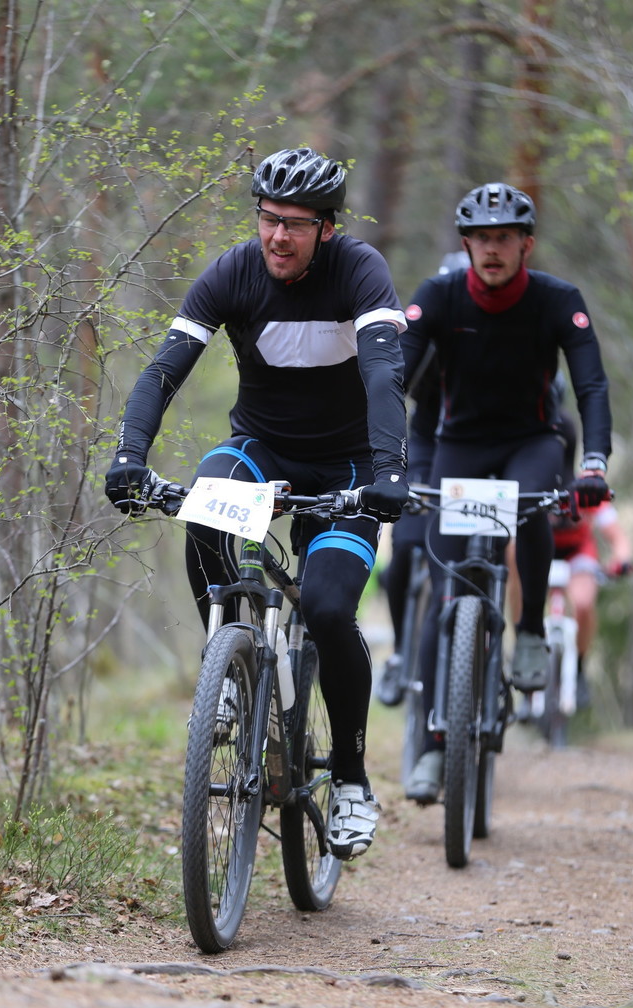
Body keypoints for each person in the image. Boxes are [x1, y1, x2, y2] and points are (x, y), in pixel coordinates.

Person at [105, 146, 409, 859]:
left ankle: (355, 782)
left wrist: (390, 470)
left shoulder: (360, 271)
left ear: (326, 229)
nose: (278, 236)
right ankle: (230, 667)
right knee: (205, 510)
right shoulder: (233, 273)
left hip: (353, 463)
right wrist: (129, 457)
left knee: (331, 610)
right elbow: (163, 371)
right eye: (269, 220)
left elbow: (384, 373)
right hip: (262, 451)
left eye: (296, 225)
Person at [399, 181, 613, 804]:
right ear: (465, 244)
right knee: (449, 594)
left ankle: (528, 631)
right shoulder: (439, 296)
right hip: (460, 444)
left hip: (532, 439)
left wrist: (593, 462)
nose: (491, 250)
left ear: (526, 244)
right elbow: (395, 374)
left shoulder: (556, 301)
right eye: (481, 239)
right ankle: (437, 752)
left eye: (504, 239)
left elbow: (592, 387)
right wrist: (391, 459)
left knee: (530, 503)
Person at [376, 253, 469, 707]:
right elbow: (402, 382)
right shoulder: (430, 340)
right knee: (406, 552)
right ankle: (398, 651)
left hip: (478, 464)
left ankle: (478, 651)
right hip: (427, 453)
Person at [549, 410, 633, 708]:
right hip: (541, 551)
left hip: (578, 554)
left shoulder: (584, 491)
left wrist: (621, 559)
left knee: (583, 604)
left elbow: (618, 537)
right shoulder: (529, 483)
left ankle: (580, 666)